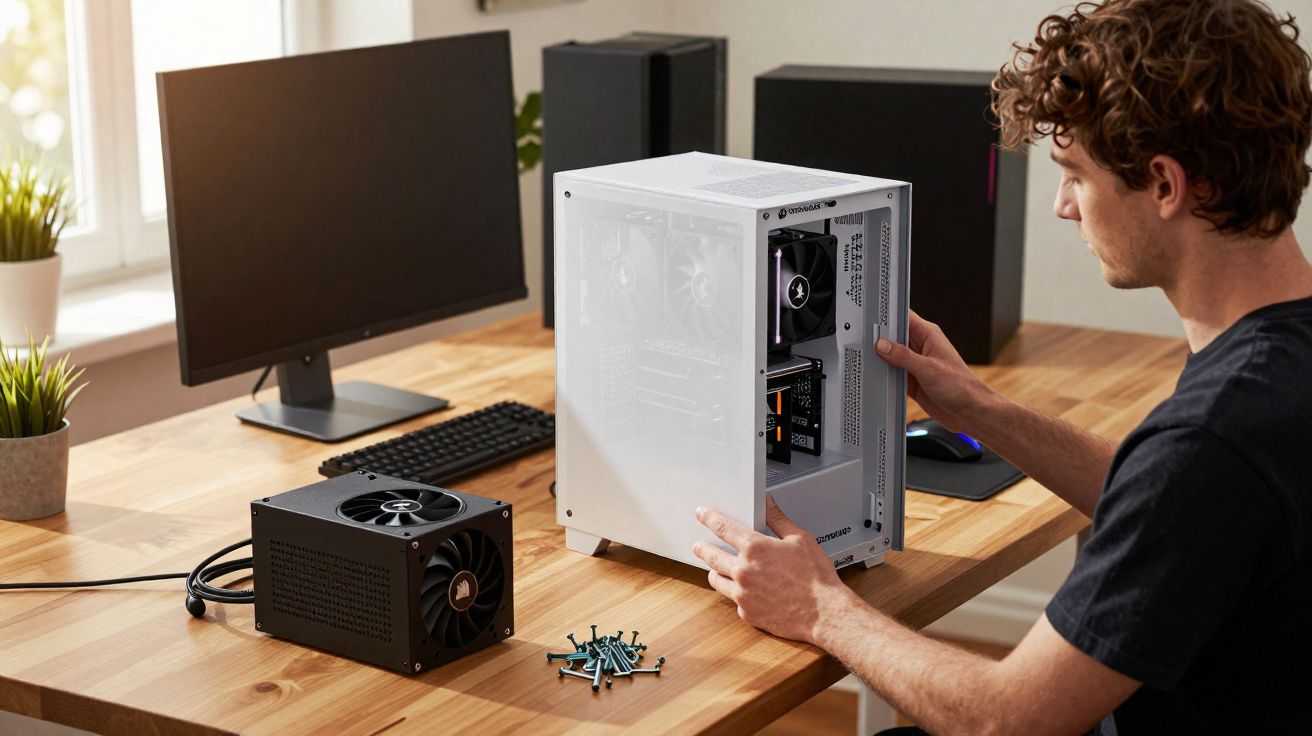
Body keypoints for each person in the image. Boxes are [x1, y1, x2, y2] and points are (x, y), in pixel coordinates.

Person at [693, 0, 1312, 732]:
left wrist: (821, 609)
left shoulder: (1212, 438)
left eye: (1074, 175)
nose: (1062, 206)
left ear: (1167, 185)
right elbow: (1182, 504)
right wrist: (981, 411)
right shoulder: (1272, 374)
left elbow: (1006, 719)